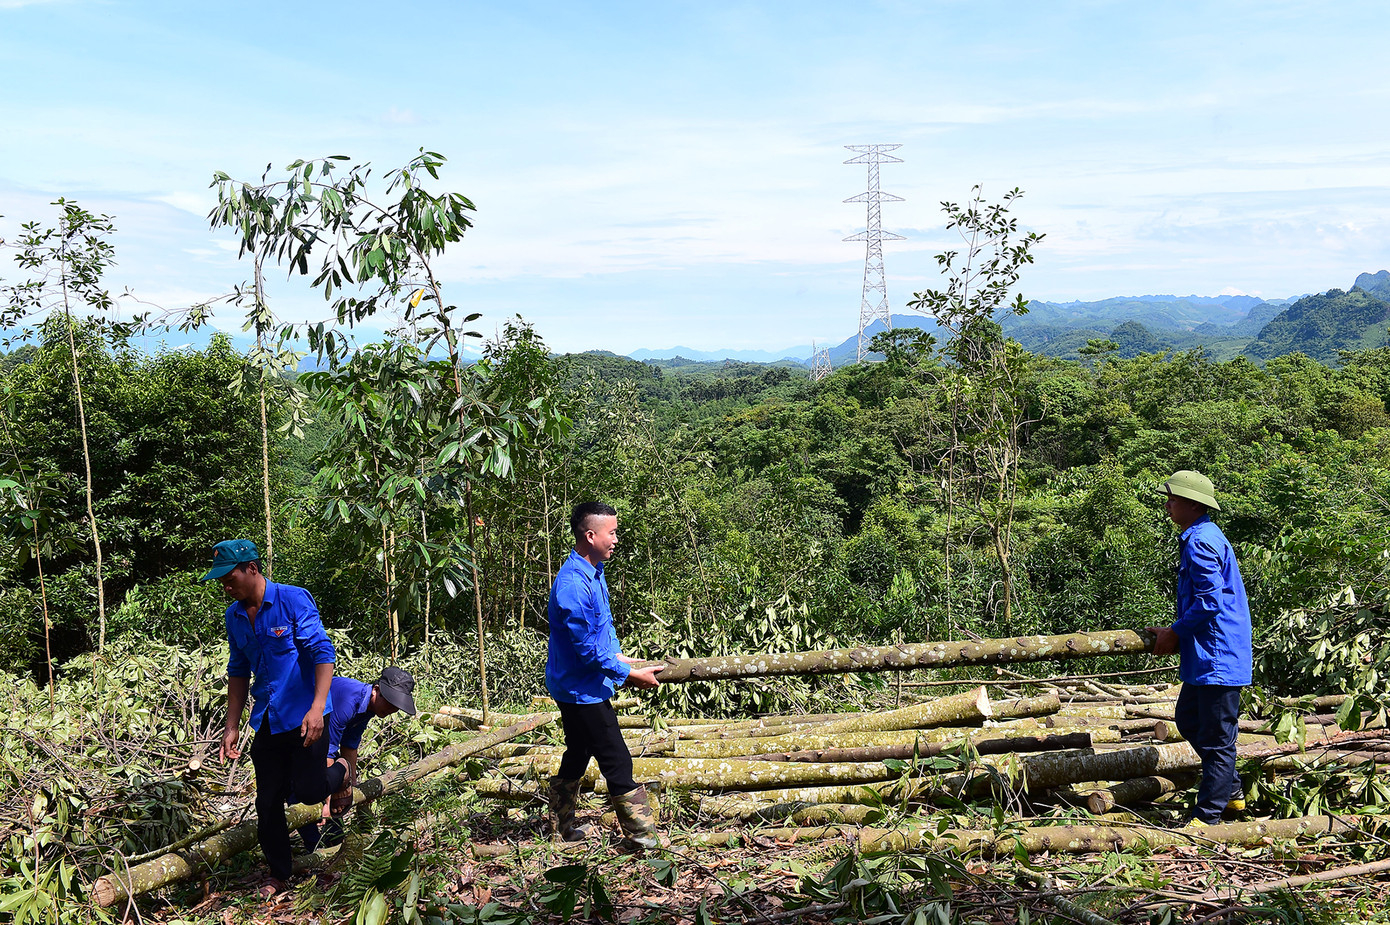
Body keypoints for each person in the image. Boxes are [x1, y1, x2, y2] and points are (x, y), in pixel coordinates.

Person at [208, 539, 336, 896]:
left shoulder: (292, 599)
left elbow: (323, 652)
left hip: (304, 717)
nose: (226, 586)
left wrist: (316, 707)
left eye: (229, 577)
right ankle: (278, 873)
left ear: (252, 568)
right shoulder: (233, 617)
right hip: (266, 719)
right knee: (267, 801)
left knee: (310, 793)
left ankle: (338, 769)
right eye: (221, 581)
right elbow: (238, 671)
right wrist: (231, 726)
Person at [545, 501, 665, 848]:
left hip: (584, 681)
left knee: (578, 751)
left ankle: (560, 828)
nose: (615, 539)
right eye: (611, 533)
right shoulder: (572, 585)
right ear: (590, 535)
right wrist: (629, 674)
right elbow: (586, 651)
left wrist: (620, 658)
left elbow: (603, 630)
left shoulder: (594, 571)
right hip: (579, 688)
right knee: (616, 758)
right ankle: (643, 839)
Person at [1146, 470, 1253, 826]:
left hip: (1219, 657)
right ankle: (1232, 792)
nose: (1168, 504)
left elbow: (1209, 602)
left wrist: (1173, 634)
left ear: (1193, 503)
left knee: (1218, 739)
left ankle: (1208, 818)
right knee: (1188, 720)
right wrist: (1174, 631)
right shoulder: (1202, 535)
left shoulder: (1201, 541)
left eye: (1173, 499)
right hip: (1207, 656)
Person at [297, 667, 418, 853]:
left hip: (318, 742)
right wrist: (327, 800)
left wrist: (351, 784)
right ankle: (314, 851)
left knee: (339, 795)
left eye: (396, 706)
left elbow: (349, 745)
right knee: (298, 792)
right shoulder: (349, 700)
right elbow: (327, 754)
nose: (391, 709)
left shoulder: (369, 707)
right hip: (298, 731)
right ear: (376, 690)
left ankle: (333, 845)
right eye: (389, 702)